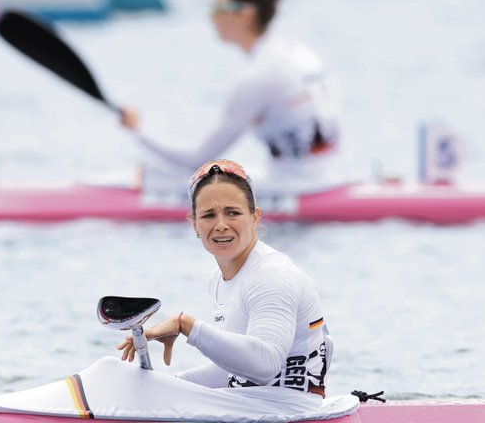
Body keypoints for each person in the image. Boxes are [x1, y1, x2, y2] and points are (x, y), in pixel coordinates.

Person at [117, 158, 333, 397]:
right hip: (255, 409)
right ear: (195, 225)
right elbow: (232, 372)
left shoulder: (272, 276)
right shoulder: (218, 279)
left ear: (255, 217)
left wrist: (185, 325)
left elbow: (265, 366)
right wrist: (166, 387)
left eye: (233, 213)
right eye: (209, 215)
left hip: (291, 415)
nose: (221, 225)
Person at [120, 0, 341, 197]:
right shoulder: (296, 51)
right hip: (328, 175)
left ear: (246, 14)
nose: (211, 16)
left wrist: (139, 131)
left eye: (218, 7)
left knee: (163, 174)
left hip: (297, 186)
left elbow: (198, 158)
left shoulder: (258, 76)